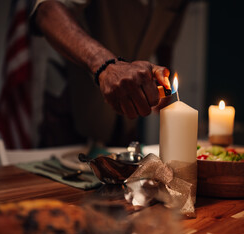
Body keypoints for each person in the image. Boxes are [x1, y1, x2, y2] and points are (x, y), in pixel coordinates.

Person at [30, 0, 188, 147]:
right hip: (72, 103)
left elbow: (165, 39)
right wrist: (107, 66)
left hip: (128, 114)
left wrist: (164, 76)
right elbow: (46, 11)